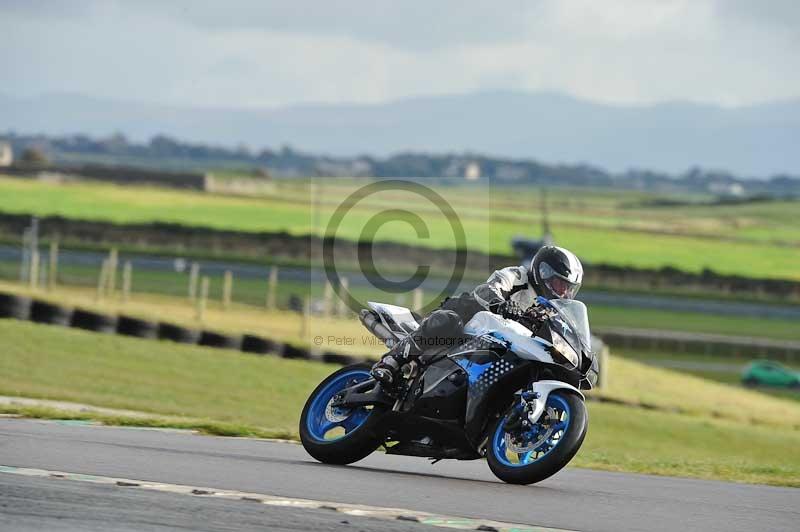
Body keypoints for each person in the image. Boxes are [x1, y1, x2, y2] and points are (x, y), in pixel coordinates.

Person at [370, 245, 584, 390]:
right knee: (449, 320)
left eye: (568, 289)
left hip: (501, 339)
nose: (563, 293)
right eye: (560, 284)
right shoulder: (517, 276)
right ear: (543, 272)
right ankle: (391, 362)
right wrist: (503, 304)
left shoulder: (550, 308)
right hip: (468, 318)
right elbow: (489, 290)